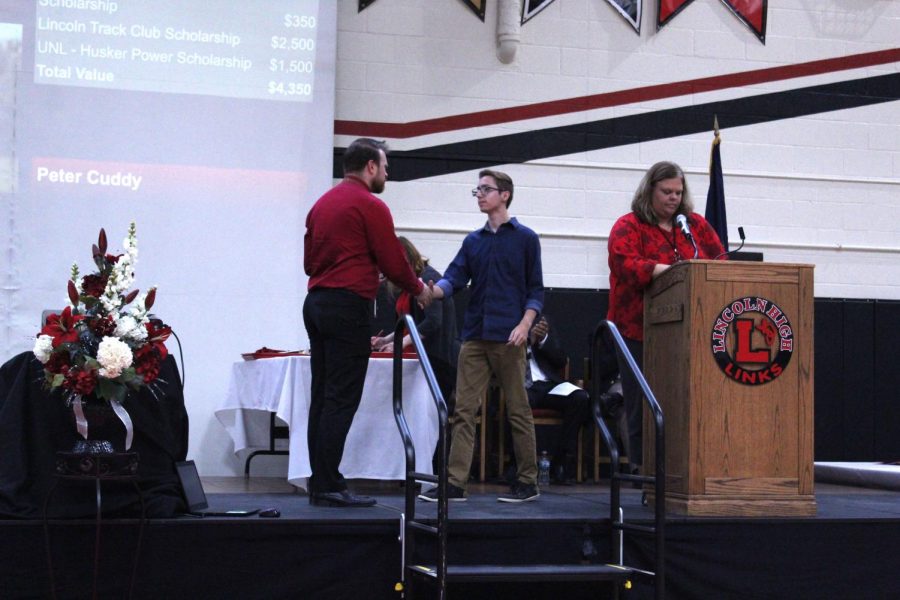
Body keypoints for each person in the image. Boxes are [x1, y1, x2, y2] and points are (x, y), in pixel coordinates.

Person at [303, 138, 433, 508]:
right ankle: (329, 484)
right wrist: (418, 287)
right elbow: (393, 259)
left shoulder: (321, 205)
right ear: (371, 167)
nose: (388, 173)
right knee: (342, 398)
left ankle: (321, 480)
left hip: (316, 303)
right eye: (385, 166)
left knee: (323, 397)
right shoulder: (370, 205)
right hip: (348, 307)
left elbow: (309, 264)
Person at [419, 169, 544, 504]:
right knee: (463, 409)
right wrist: (434, 292)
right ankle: (455, 483)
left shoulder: (526, 238)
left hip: (509, 337)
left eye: (486, 189)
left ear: (504, 194)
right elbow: (454, 278)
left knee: (518, 410)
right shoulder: (472, 241)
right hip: (475, 336)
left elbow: (536, 290)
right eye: (477, 190)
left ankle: (528, 481)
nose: (479, 195)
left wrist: (525, 323)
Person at [607, 160, 724, 475]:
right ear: (650, 190)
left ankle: (687, 464)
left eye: (678, 192)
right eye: (666, 191)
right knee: (640, 400)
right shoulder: (628, 226)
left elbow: (720, 263)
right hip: (637, 329)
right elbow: (626, 265)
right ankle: (641, 466)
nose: (673, 198)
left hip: (690, 330)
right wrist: (673, 273)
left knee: (686, 396)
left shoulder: (695, 226)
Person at [371, 236, 460, 409]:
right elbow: (408, 323)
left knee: (430, 415)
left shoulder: (427, 279)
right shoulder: (411, 284)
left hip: (437, 360)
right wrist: (387, 340)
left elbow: (433, 322)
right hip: (422, 358)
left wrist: (400, 344)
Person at [525, 315, 592, 484]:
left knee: (580, 398)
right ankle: (517, 464)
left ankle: (560, 462)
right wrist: (528, 341)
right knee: (519, 401)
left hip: (548, 384)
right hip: (523, 385)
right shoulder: (504, 320)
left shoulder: (540, 320)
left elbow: (561, 360)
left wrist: (543, 340)